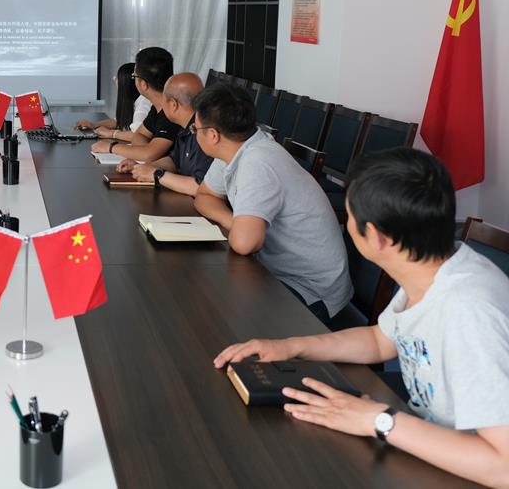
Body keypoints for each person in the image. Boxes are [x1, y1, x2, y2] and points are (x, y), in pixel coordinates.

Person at [214, 148, 509, 488]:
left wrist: (380, 420)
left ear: (377, 237)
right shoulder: (433, 263)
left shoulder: (469, 311)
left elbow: (502, 466)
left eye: (350, 217)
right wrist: (291, 346)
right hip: (431, 443)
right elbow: (380, 341)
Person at [193, 84, 351, 324]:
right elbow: (204, 196)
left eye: (196, 129)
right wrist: (235, 222)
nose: (195, 134)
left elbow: (245, 244)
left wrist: (240, 228)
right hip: (274, 271)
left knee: (217, 313)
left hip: (311, 292)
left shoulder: (258, 162)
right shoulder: (237, 147)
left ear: (213, 135)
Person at [116, 72, 213, 196]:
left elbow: (202, 187)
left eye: (164, 101)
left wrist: (157, 175)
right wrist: (143, 168)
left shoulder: (203, 133)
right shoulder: (185, 128)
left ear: (173, 104)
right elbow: (174, 161)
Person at [91, 47, 180, 162]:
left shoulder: (172, 113)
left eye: (134, 76)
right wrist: (142, 152)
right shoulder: (157, 107)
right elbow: (139, 135)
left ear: (143, 84)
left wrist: (111, 147)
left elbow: (149, 154)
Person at [76, 62, 152, 136]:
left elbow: (137, 135)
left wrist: (111, 133)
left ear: (125, 82)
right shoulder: (135, 100)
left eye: (117, 78)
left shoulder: (143, 103)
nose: (115, 81)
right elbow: (119, 121)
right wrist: (93, 125)